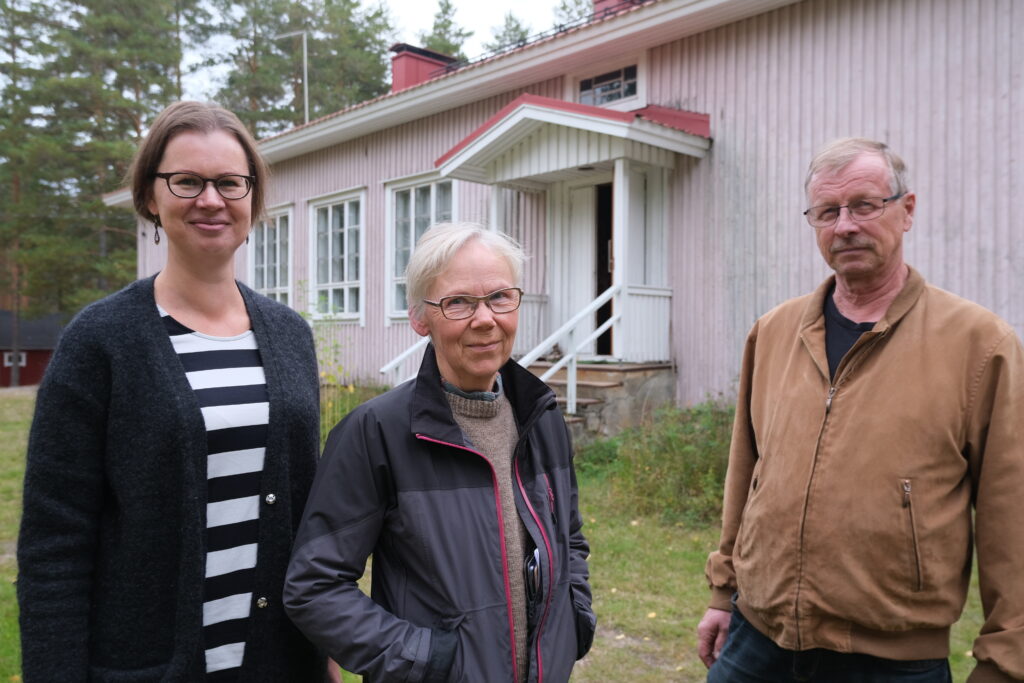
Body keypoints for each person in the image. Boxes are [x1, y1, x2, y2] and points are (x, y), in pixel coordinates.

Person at [17, 101, 327, 681]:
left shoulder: (291, 336)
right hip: (146, 666)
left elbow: (307, 520)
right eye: (186, 181)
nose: (211, 199)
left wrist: (324, 653)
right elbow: (54, 542)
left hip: (280, 664)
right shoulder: (100, 340)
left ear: (253, 196)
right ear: (151, 196)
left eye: (230, 182)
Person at [697, 138, 1024, 682]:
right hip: (756, 643)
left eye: (865, 205)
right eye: (827, 211)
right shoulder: (775, 332)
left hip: (892, 661)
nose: (845, 225)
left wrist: (1006, 661)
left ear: (908, 210)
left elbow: (1010, 515)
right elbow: (747, 472)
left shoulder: (979, 344)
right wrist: (723, 593)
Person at [284, 222, 596, 682]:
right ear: (420, 318)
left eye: (499, 297)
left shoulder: (542, 418)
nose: (485, 319)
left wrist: (576, 619)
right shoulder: (377, 432)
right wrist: (425, 660)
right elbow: (314, 587)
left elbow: (568, 539)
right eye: (458, 303)